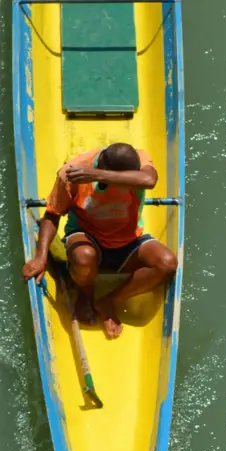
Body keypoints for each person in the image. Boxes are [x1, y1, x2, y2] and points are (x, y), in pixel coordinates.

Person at [22, 142, 178, 339]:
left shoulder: (138, 158)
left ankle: (109, 300)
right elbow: (52, 215)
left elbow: (149, 179)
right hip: (88, 238)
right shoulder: (72, 172)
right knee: (84, 257)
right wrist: (40, 258)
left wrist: (97, 175)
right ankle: (86, 294)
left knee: (167, 264)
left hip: (129, 242)